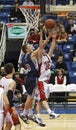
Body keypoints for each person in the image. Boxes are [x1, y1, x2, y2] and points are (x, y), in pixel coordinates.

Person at [19, 31, 52, 124]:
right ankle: (24, 113)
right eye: (29, 46)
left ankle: (29, 113)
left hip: (29, 77)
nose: (30, 46)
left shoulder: (25, 56)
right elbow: (41, 47)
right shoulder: (31, 55)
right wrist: (46, 37)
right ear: (26, 49)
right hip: (32, 78)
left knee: (32, 97)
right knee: (30, 97)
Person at [34, 30, 60, 126]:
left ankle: (38, 117)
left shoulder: (48, 57)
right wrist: (41, 37)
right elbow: (41, 47)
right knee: (43, 99)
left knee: (40, 101)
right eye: (43, 49)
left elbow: (52, 47)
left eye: (45, 49)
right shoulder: (40, 59)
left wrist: (54, 38)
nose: (44, 49)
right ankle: (50, 113)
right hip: (41, 81)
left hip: (46, 82)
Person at [0, 63, 21, 130]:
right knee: (17, 124)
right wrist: (13, 108)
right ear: (13, 70)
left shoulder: (2, 79)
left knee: (9, 124)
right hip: (7, 105)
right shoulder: (12, 82)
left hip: (1, 104)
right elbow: (9, 95)